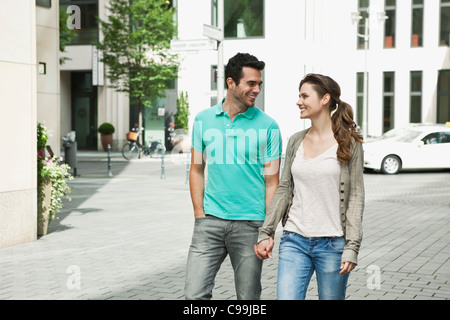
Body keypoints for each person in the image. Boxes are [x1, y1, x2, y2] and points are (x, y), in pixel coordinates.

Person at [254, 73, 365, 300]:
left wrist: (352, 246)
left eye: (304, 96)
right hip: (294, 240)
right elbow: (284, 188)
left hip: (333, 244)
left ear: (325, 99)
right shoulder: (296, 140)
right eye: (299, 96)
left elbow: (355, 196)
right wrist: (266, 231)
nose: (299, 101)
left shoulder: (349, 143)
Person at [184, 53, 282, 300]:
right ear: (230, 83)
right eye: (251, 83)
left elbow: (272, 183)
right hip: (209, 223)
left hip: (250, 226)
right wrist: (199, 214)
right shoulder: (203, 120)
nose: (257, 89)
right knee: (194, 296)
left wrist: (268, 232)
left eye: (259, 84)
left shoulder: (268, 126)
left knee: (248, 300)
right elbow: (196, 170)